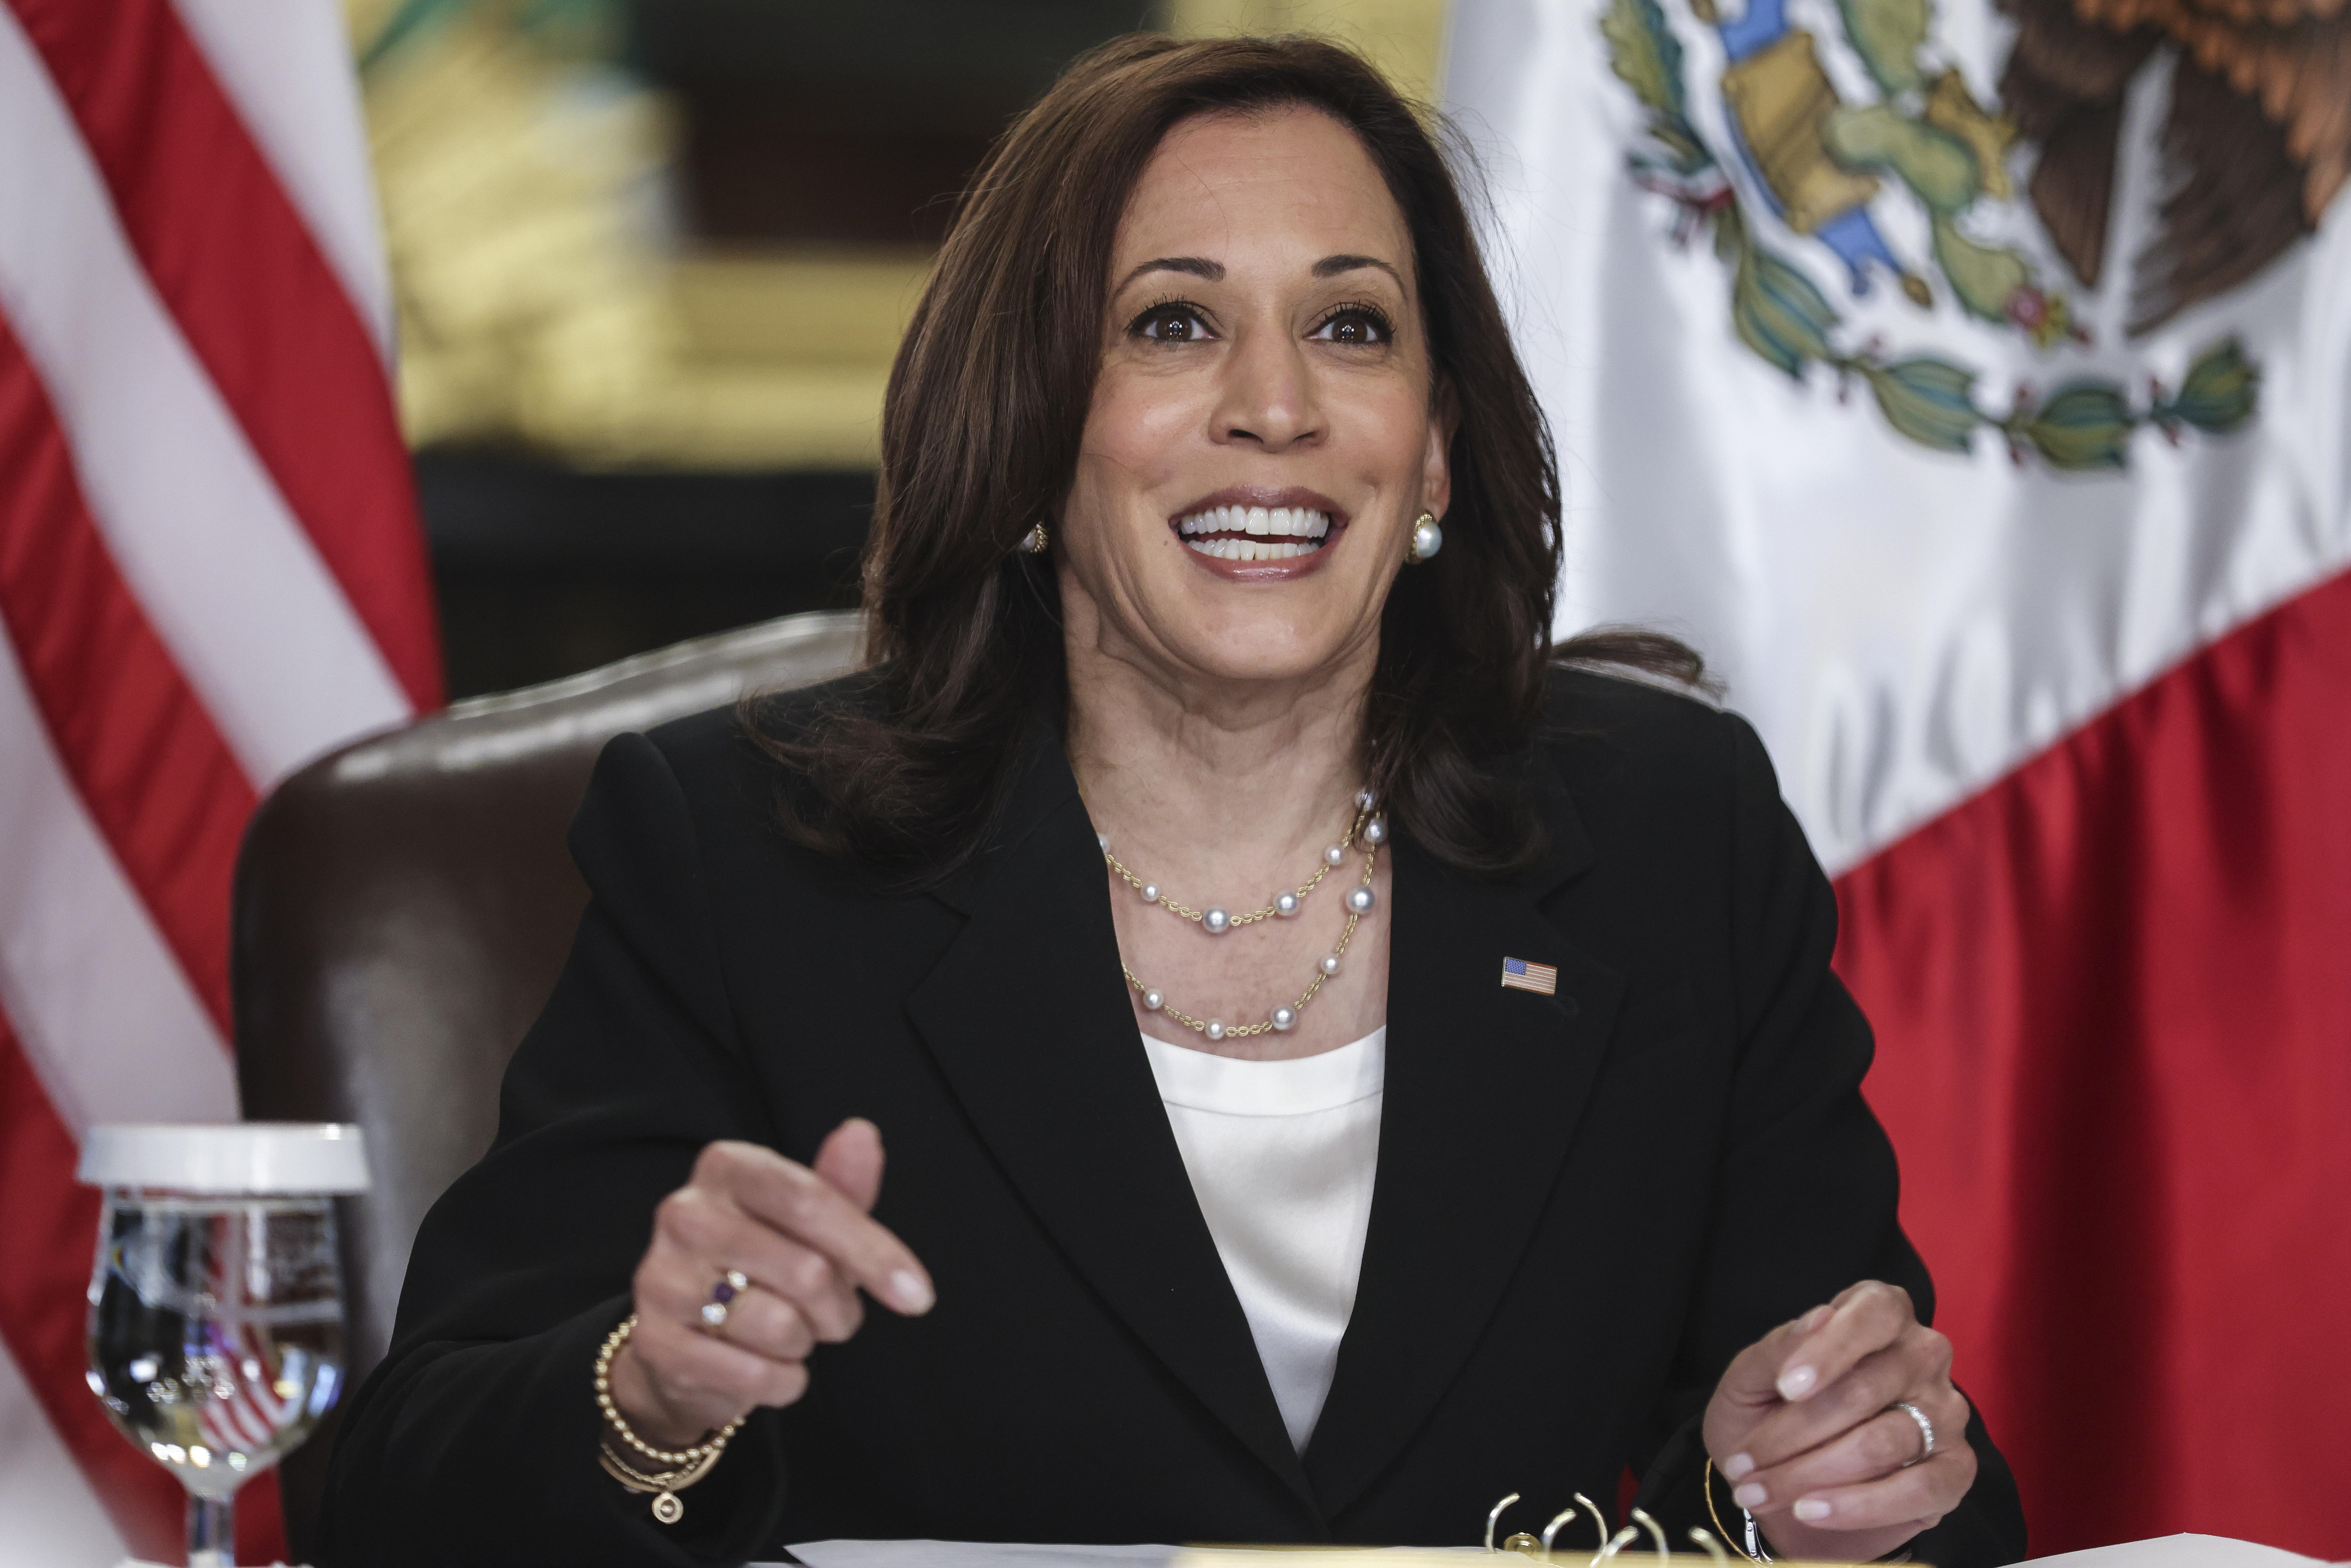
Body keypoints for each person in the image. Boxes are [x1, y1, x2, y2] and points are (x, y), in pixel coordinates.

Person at [322, 34, 2025, 1568]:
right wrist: (655, 1391)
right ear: (1036, 426)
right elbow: (397, 1502)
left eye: (1350, 326)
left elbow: (1926, 1487)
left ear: (1430, 448)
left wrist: (1836, 1482)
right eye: (1173, 323)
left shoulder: (1668, 829)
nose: (1272, 408)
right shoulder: (745, 851)